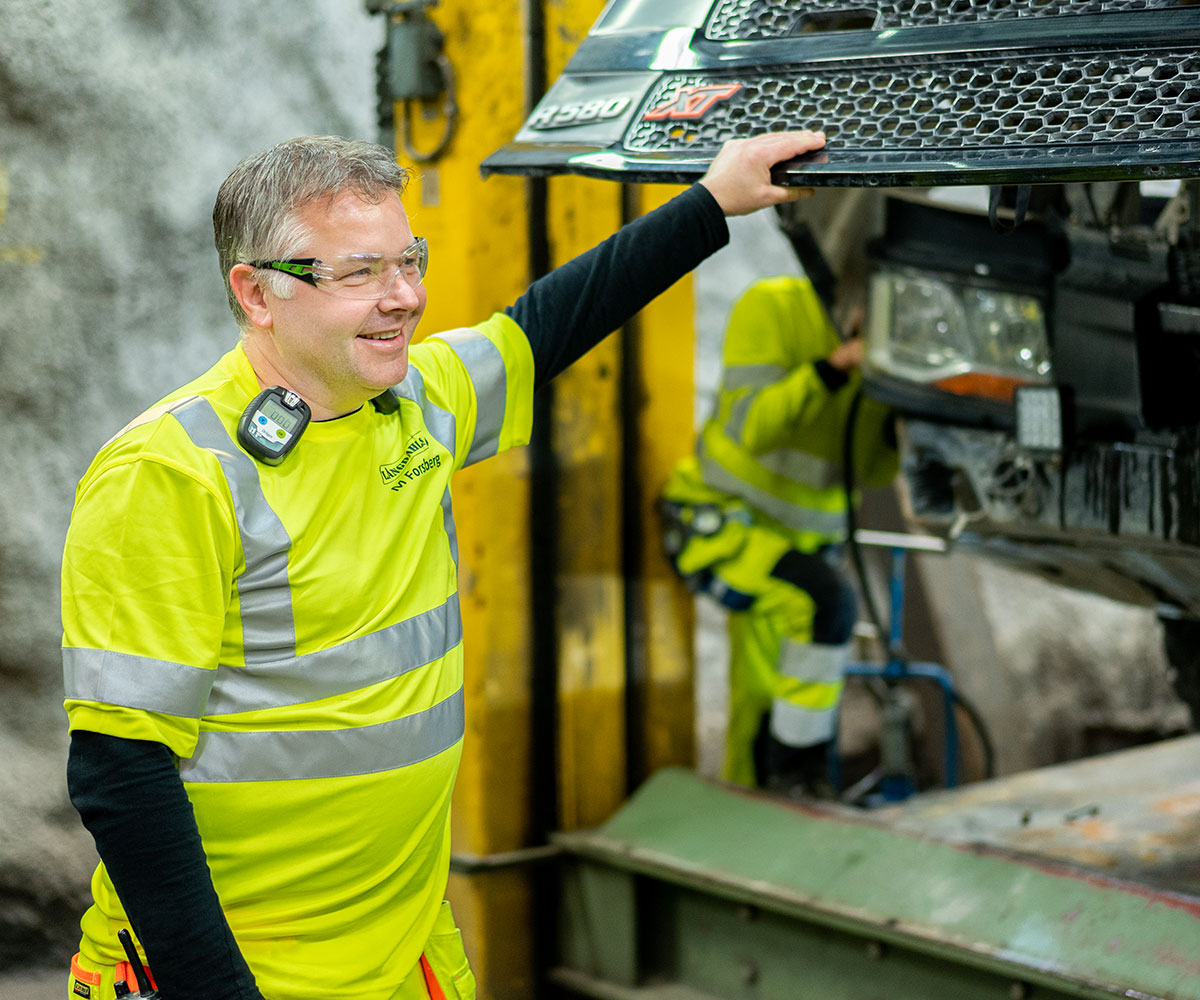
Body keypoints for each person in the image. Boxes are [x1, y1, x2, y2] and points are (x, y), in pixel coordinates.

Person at [61, 129, 828, 1000]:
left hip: (403, 956)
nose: (405, 298)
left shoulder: (409, 401)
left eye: (408, 261)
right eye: (359, 273)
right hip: (243, 975)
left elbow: (545, 326)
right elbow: (120, 770)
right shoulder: (170, 474)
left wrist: (712, 199)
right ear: (257, 294)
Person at [661, 273, 897, 796]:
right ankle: (795, 783)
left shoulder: (892, 352)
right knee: (823, 605)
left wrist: (905, 422)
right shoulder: (773, 308)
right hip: (725, 524)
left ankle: (772, 800)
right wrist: (835, 369)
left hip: (801, 542)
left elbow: (871, 469)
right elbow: (755, 427)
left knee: (779, 693)